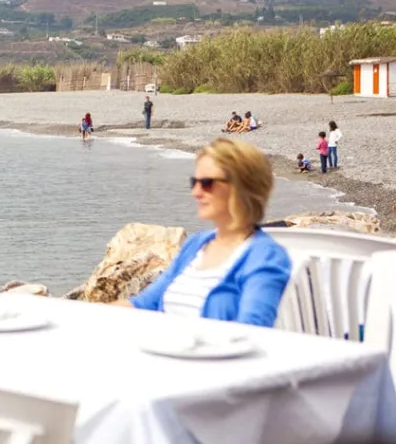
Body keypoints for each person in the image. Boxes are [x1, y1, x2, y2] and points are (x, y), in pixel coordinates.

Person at [113, 137, 291, 327]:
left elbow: (253, 331)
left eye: (207, 183)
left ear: (242, 187)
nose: (196, 192)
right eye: (194, 182)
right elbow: (144, 304)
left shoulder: (265, 256)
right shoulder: (196, 244)